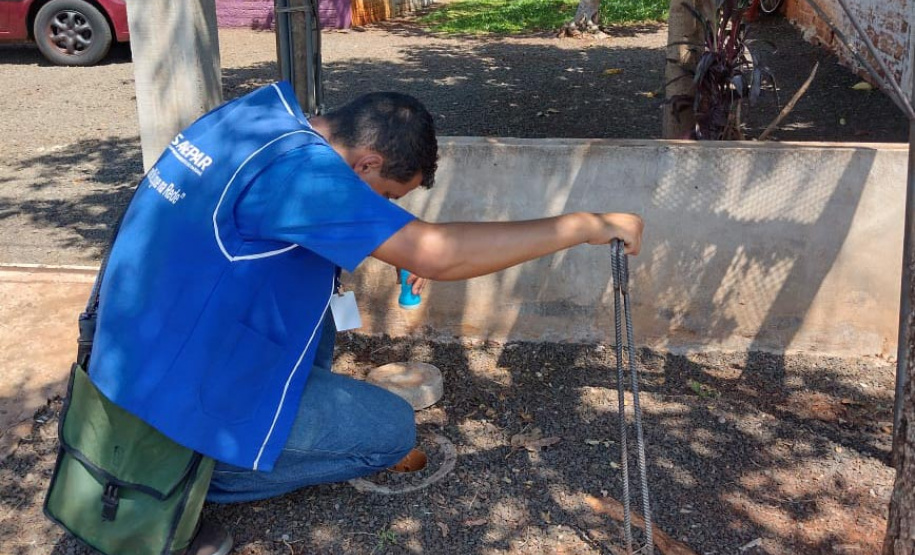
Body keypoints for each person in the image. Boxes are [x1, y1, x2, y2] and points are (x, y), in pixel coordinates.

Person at [89, 81, 643, 555]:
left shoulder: (259, 117)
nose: (386, 207)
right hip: (167, 396)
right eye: (384, 194)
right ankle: (186, 475)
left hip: (136, 351)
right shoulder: (303, 177)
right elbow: (438, 255)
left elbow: (305, 221)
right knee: (390, 432)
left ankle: (246, 435)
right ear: (367, 162)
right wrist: (585, 226)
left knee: (322, 314)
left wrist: (389, 239)